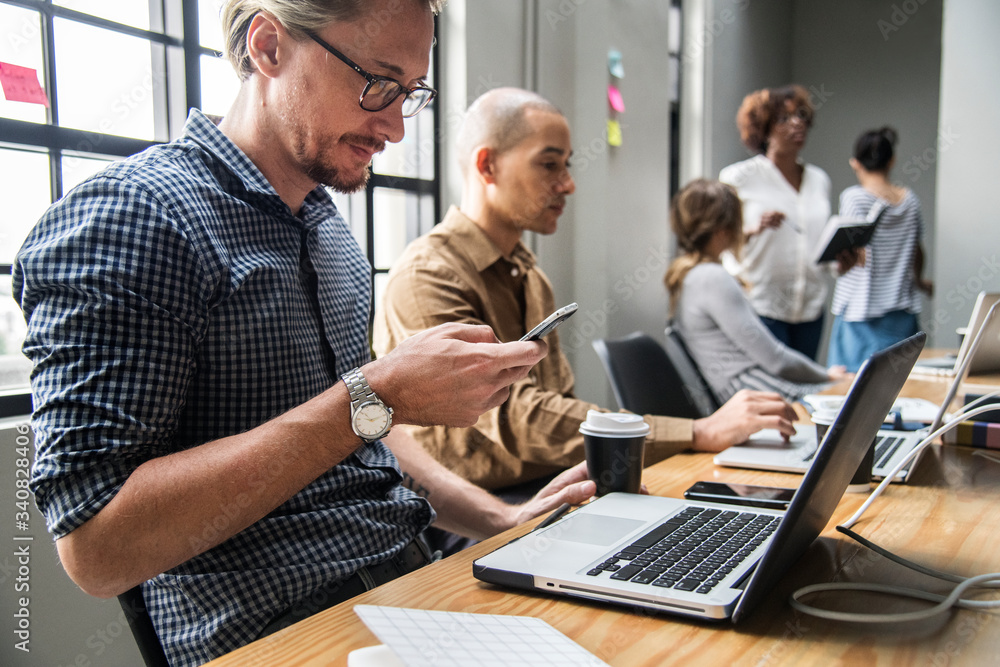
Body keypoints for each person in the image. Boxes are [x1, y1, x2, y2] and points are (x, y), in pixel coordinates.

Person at [12, 3, 597, 665]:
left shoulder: (329, 233)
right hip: (280, 630)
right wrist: (371, 396)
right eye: (376, 81)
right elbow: (95, 549)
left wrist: (499, 519)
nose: (395, 127)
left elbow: (371, 427)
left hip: (409, 583)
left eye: (409, 93)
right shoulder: (136, 218)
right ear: (268, 47)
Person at [373, 88, 798, 543]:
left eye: (568, 165)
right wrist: (696, 430)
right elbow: (519, 418)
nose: (568, 183)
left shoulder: (531, 275)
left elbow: (557, 405)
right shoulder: (427, 277)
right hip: (470, 517)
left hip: (547, 487)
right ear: (487, 165)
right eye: (549, 164)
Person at [665, 179, 847, 403]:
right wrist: (829, 376)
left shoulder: (691, 275)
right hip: (755, 394)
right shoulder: (712, 278)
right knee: (856, 400)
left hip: (750, 391)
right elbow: (777, 360)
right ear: (724, 231)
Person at [719, 84, 831, 360]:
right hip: (761, 307)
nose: (797, 123)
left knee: (803, 393)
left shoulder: (819, 180)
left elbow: (817, 242)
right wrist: (753, 228)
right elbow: (718, 239)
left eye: (802, 116)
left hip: (810, 307)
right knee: (770, 394)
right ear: (764, 129)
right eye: (784, 118)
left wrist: (842, 258)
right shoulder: (737, 178)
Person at [827, 127, 933, 372]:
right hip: (901, 310)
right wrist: (918, 281)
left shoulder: (855, 198)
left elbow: (850, 251)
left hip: (860, 312)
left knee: (851, 390)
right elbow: (917, 251)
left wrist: (837, 265)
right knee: (898, 385)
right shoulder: (910, 200)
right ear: (891, 161)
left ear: (855, 163)